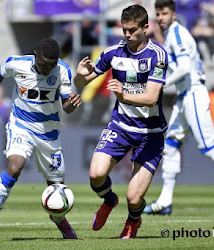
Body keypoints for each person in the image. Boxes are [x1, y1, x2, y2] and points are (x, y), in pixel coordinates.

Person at [0, 38, 81, 242]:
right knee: (14, 166)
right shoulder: (17, 64)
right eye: (44, 64)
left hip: (49, 134)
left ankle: (59, 219)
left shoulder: (62, 70)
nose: (48, 69)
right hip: (21, 126)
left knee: (56, 186)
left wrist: (73, 103)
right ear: (36, 55)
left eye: (52, 64)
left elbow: (66, 106)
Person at [74, 4, 168, 239]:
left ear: (146, 27)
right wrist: (79, 73)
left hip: (151, 132)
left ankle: (133, 221)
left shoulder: (158, 55)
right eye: (124, 30)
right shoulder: (112, 53)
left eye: (132, 30)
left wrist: (123, 94)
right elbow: (81, 83)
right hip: (121, 127)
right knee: (96, 174)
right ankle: (109, 200)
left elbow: (151, 97)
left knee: (134, 198)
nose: (127, 35)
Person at [143, 0, 214, 215]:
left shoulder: (178, 34)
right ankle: (165, 201)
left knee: (209, 147)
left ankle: (165, 201)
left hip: (193, 92)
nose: (161, 17)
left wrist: (161, 84)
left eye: (164, 13)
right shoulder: (172, 34)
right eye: (158, 14)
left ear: (173, 14)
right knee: (171, 144)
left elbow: (184, 68)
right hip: (184, 97)